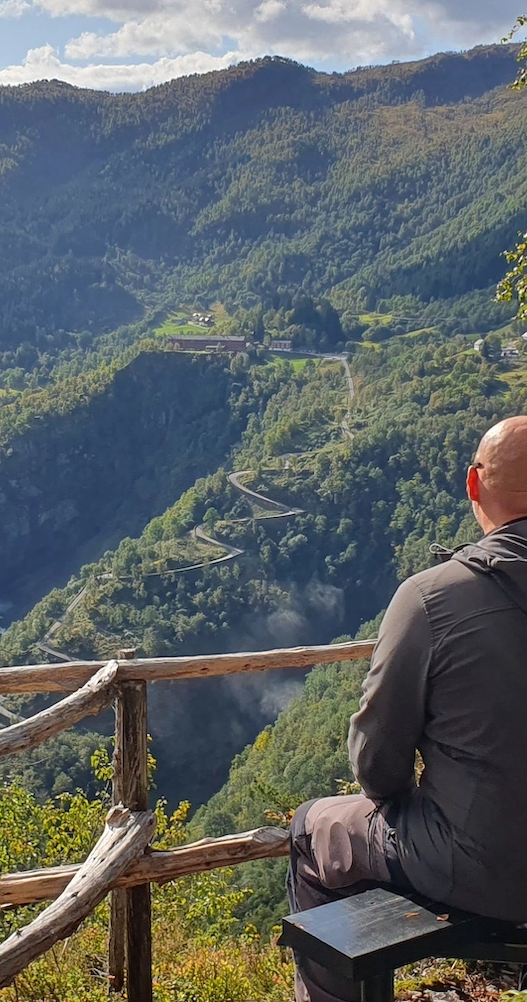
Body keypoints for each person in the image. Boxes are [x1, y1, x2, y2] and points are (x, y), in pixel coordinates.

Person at [288, 416, 527, 1002]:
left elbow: (376, 761)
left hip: (484, 870)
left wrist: (407, 804)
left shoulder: (434, 598)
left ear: (473, 484)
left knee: (314, 829)